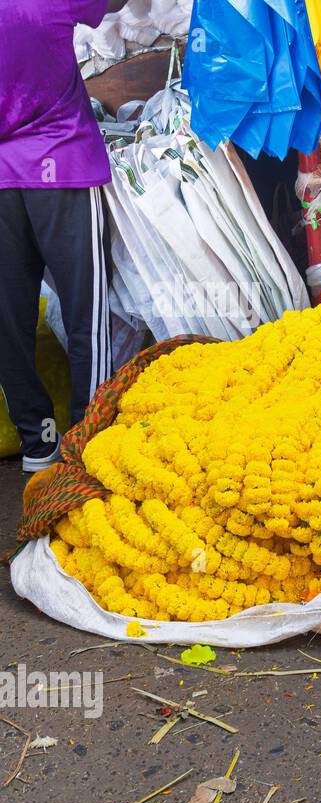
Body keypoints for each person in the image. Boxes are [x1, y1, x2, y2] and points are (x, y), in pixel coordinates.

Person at [0, 0, 127, 473]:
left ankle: (38, 442)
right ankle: (86, 440)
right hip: (62, 164)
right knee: (85, 314)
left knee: (7, 321)